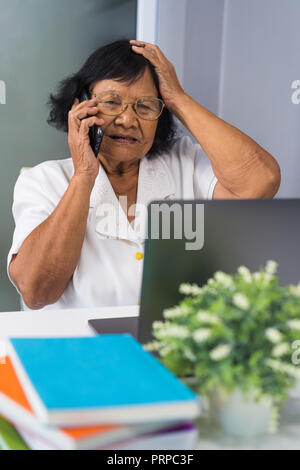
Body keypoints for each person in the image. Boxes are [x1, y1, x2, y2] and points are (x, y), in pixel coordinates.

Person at [7, 39, 281, 311]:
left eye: (146, 106)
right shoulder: (44, 181)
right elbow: (36, 292)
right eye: (112, 102)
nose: (128, 120)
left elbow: (260, 182)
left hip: (172, 348)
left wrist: (178, 98)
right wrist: (83, 176)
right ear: (81, 106)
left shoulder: (185, 163)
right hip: (83, 350)